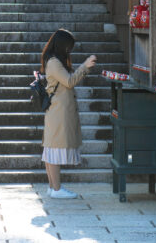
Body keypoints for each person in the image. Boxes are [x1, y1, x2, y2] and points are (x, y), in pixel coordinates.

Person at [40, 28, 97, 199]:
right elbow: (69, 81)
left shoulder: (52, 60)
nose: (69, 51)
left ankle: (53, 187)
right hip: (59, 112)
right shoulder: (54, 62)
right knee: (54, 150)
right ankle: (56, 189)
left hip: (57, 110)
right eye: (68, 47)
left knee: (51, 150)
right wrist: (85, 66)